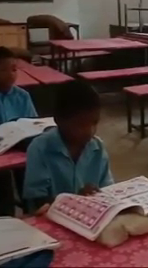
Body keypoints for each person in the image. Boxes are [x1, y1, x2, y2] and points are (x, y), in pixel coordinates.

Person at [23, 80, 113, 213]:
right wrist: (75, 202)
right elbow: (37, 201)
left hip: (90, 220)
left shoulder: (98, 148)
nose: (90, 131)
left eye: (95, 122)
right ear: (58, 120)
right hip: (51, 223)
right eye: (81, 125)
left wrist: (100, 196)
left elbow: (109, 191)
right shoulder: (39, 148)